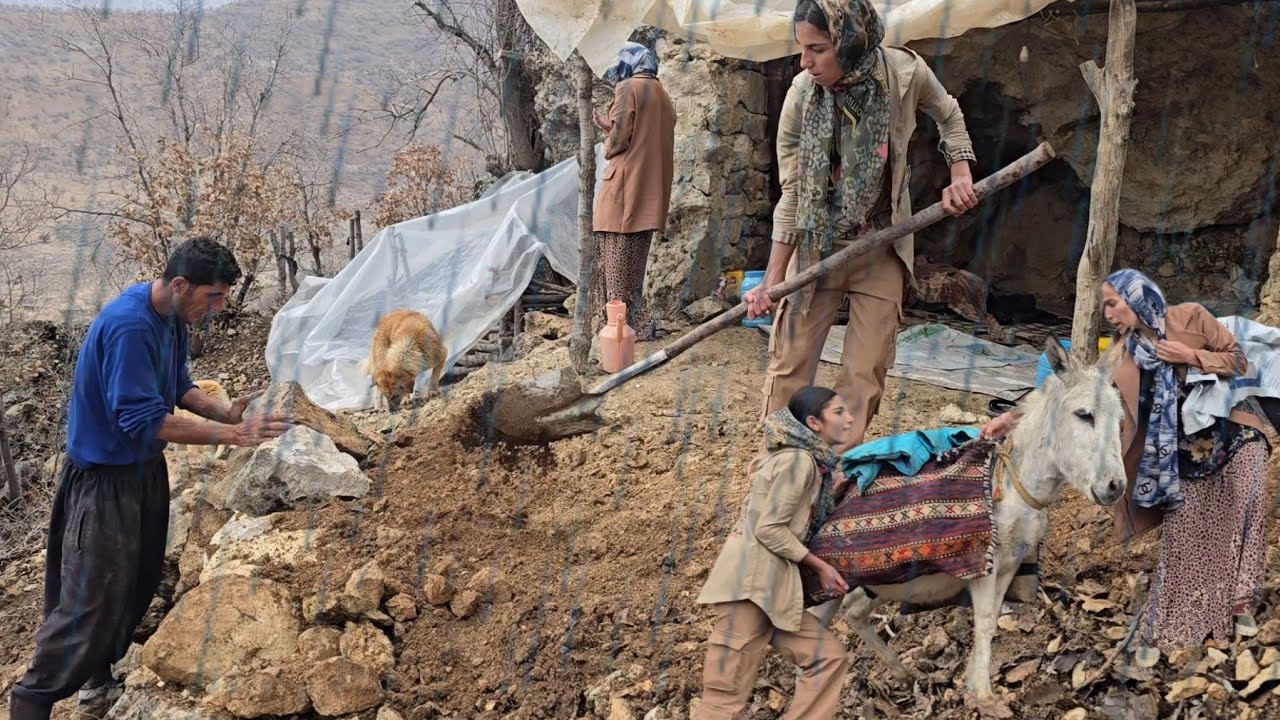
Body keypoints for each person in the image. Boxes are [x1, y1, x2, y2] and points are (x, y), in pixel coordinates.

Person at [8, 237, 295, 720]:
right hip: (103, 482)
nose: (220, 307)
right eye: (214, 296)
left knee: (134, 584)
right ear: (181, 284)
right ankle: (32, 700)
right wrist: (232, 433)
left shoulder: (172, 318)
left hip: (141, 473)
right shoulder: (128, 326)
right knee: (88, 602)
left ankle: (96, 684)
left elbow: (177, 384)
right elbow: (142, 420)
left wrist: (221, 409)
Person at [983, 269, 1273, 649]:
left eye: (1112, 302)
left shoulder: (1191, 318)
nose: (1107, 312)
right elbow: (1077, 395)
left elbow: (1241, 362)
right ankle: (1189, 622)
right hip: (1180, 454)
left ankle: (1240, 605)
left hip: (1234, 433)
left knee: (1241, 506)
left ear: (1138, 298)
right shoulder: (1121, 357)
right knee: (1188, 533)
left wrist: (1192, 356)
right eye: (1104, 304)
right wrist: (1012, 417)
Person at [744, 0, 978, 452]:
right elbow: (793, 197)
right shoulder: (800, 96)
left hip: (882, 244)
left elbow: (948, 114)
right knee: (789, 365)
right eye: (801, 49)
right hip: (816, 248)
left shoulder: (904, 76)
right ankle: (777, 473)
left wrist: (961, 174)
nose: (804, 61)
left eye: (818, 49)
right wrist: (772, 282)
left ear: (852, 43)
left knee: (865, 372)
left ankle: (833, 474)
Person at [692, 386, 853, 720]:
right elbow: (769, 529)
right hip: (750, 589)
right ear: (814, 422)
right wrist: (819, 566)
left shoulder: (806, 462)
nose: (849, 419)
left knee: (828, 658)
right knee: (724, 697)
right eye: (839, 412)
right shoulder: (798, 461)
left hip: (774, 592)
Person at [591, 41, 676, 341]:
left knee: (613, 271)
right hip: (648, 197)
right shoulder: (663, 96)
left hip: (622, 195)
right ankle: (636, 326)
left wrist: (608, 138)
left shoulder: (628, 88)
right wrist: (611, 127)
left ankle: (616, 333)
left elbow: (619, 141)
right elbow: (641, 135)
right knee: (634, 273)